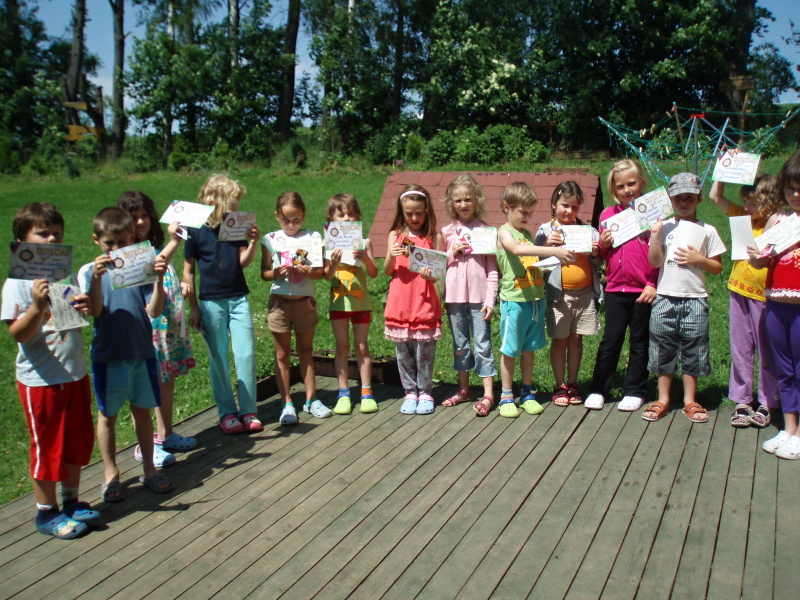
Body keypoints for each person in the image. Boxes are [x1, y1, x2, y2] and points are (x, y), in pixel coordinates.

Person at [2, 203, 100, 539]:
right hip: (41, 381)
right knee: (47, 446)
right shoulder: (17, 283)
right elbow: (18, 333)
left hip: (73, 372)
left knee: (75, 441)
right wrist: (36, 306)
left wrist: (83, 305)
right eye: (42, 233)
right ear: (22, 241)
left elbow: (72, 318)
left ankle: (70, 500)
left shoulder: (62, 274)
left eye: (56, 233)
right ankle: (46, 511)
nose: (51, 239)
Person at [79, 207, 174, 500]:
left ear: (132, 239)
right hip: (108, 356)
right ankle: (111, 473)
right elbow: (95, 311)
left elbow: (154, 310)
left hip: (141, 352)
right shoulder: (88, 272)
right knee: (107, 415)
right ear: (96, 240)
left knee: (142, 413)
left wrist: (158, 279)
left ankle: (149, 469)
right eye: (109, 243)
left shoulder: (140, 267)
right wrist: (96, 279)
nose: (115, 249)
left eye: (122, 242)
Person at [117, 191, 197, 466]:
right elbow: (152, 269)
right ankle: (145, 446)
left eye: (144, 215)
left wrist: (179, 284)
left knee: (166, 379)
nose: (141, 221)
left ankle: (165, 433)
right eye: (134, 217)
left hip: (167, 325)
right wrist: (176, 241)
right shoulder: (129, 252)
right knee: (145, 386)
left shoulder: (153, 244)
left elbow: (164, 271)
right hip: (147, 328)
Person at [643, 173, 725, 423]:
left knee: (694, 347)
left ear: (699, 199)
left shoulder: (708, 230)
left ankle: (690, 400)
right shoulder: (664, 226)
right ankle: (663, 398)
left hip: (695, 298)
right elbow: (655, 262)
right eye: (678, 198)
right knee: (662, 347)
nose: (684, 202)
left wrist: (698, 259)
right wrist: (655, 235)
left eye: (690, 197)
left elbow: (717, 267)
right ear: (670, 199)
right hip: (665, 297)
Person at [183, 174, 262, 434]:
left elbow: (242, 262)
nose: (237, 206)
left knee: (246, 354)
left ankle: (248, 410)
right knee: (218, 358)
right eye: (234, 200)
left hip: (238, 298)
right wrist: (194, 307)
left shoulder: (235, 224)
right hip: (210, 301)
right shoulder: (195, 229)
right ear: (219, 200)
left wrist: (253, 242)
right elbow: (188, 271)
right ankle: (226, 412)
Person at [584, 159, 659, 411]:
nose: (627, 190)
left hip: (643, 290)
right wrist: (603, 245)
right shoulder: (607, 215)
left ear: (642, 183)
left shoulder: (652, 212)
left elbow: (660, 252)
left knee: (639, 341)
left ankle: (635, 390)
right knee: (611, 340)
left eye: (631, 184)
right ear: (613, 189)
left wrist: (652, 283)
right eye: (620, 186)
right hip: (615, 288)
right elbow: (604, 254)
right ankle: (598, 388)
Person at [496, 182, 575, 418]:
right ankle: (506, 395)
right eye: (523, 212)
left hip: (535, 300)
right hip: (514, 301)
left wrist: (547, 264)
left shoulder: (527, 234)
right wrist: (554, 251)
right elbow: (516, 250)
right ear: (507, 207)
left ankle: (527, 392)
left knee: (528, 348)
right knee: (510, 349)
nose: (527, 217)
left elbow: (530, 260)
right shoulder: (504, 232)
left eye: (530, 213)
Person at [710, 172, 782, 427]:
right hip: (738, 291)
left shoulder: (780, 223)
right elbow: (715, 196)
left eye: (753, 203)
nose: (748, 207)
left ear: (770, 202)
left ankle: (768, 400)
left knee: (766, 350)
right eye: (746, 202)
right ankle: (742, 400)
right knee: (740, 347)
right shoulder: (742, 216)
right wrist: (724, 168)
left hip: (765, 296)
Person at [262, 191, 330, 425]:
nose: (291, 225)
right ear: (277, 216)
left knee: (305, 350)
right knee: (282, 354)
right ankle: (287, 403)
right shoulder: (271, 239)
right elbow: (264, 273)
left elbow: (320, 273)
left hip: (304, 302)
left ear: (304, 215)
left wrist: (309, 272)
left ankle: (311, 399)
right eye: (285, 220)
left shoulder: (313, 237)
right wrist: (274, 273)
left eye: (296, 220)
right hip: (279, 303)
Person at [748, 151, 800, 458]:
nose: (795, 195)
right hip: (776, 306)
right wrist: (755, 256)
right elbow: (760, 261)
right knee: (785, 369)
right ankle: (789, 427)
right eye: (791, 188)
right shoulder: (778, 221)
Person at [534, 181, 602, 407]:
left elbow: (598, 263)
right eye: (565, 205)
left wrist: (595, 253)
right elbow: (536, 261)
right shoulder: (545, 230)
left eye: (574, 207)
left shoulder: (588, 231)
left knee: (576, 338)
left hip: (585, 294)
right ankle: (559, 384)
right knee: (560, 339)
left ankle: (573, 383)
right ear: (554, 204)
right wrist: (547, 245)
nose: (569, 211)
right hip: (559, 295)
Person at [439, 174, 499, 416]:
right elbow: (438, 265)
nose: (463, 204)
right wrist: (451, 252)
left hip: (479, 298)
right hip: (454, 299)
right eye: (458, 200)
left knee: (483, 344)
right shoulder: (446, 232)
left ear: (477, 200)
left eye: (468, 199)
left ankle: (488, 394)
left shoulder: (486, 232)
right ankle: (464, 389)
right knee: (460, 345)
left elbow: (492, 269)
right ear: (451, 203)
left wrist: (490, 300)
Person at [384, 185, 444, 416]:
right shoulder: (395, 236)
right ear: (402, 212)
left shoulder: (433, 237)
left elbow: (439, 272)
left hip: (423, 300)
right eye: (409, 213)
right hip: (400, 301)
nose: (414, 218)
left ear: (427, 210)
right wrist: (391, 255)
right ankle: (410, 392)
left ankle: (425, 391)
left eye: (419, 213)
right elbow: (388, 270)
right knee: (403, 352)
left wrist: (431, 275)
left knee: (424, 352)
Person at [322, 193, 379, 415]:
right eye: (341, 214)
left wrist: (366, 258)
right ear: (331, 218)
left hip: (361, 303)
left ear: (358, 216)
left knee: (362, 347)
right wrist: (333, 262)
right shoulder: (327, 243)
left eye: (351, 214)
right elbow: (327, 276)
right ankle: (343, 393)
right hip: (339, 304)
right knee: (342, 347)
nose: (346, 218)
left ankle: (366, 392)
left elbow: (373, 273)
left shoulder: (365, 242)